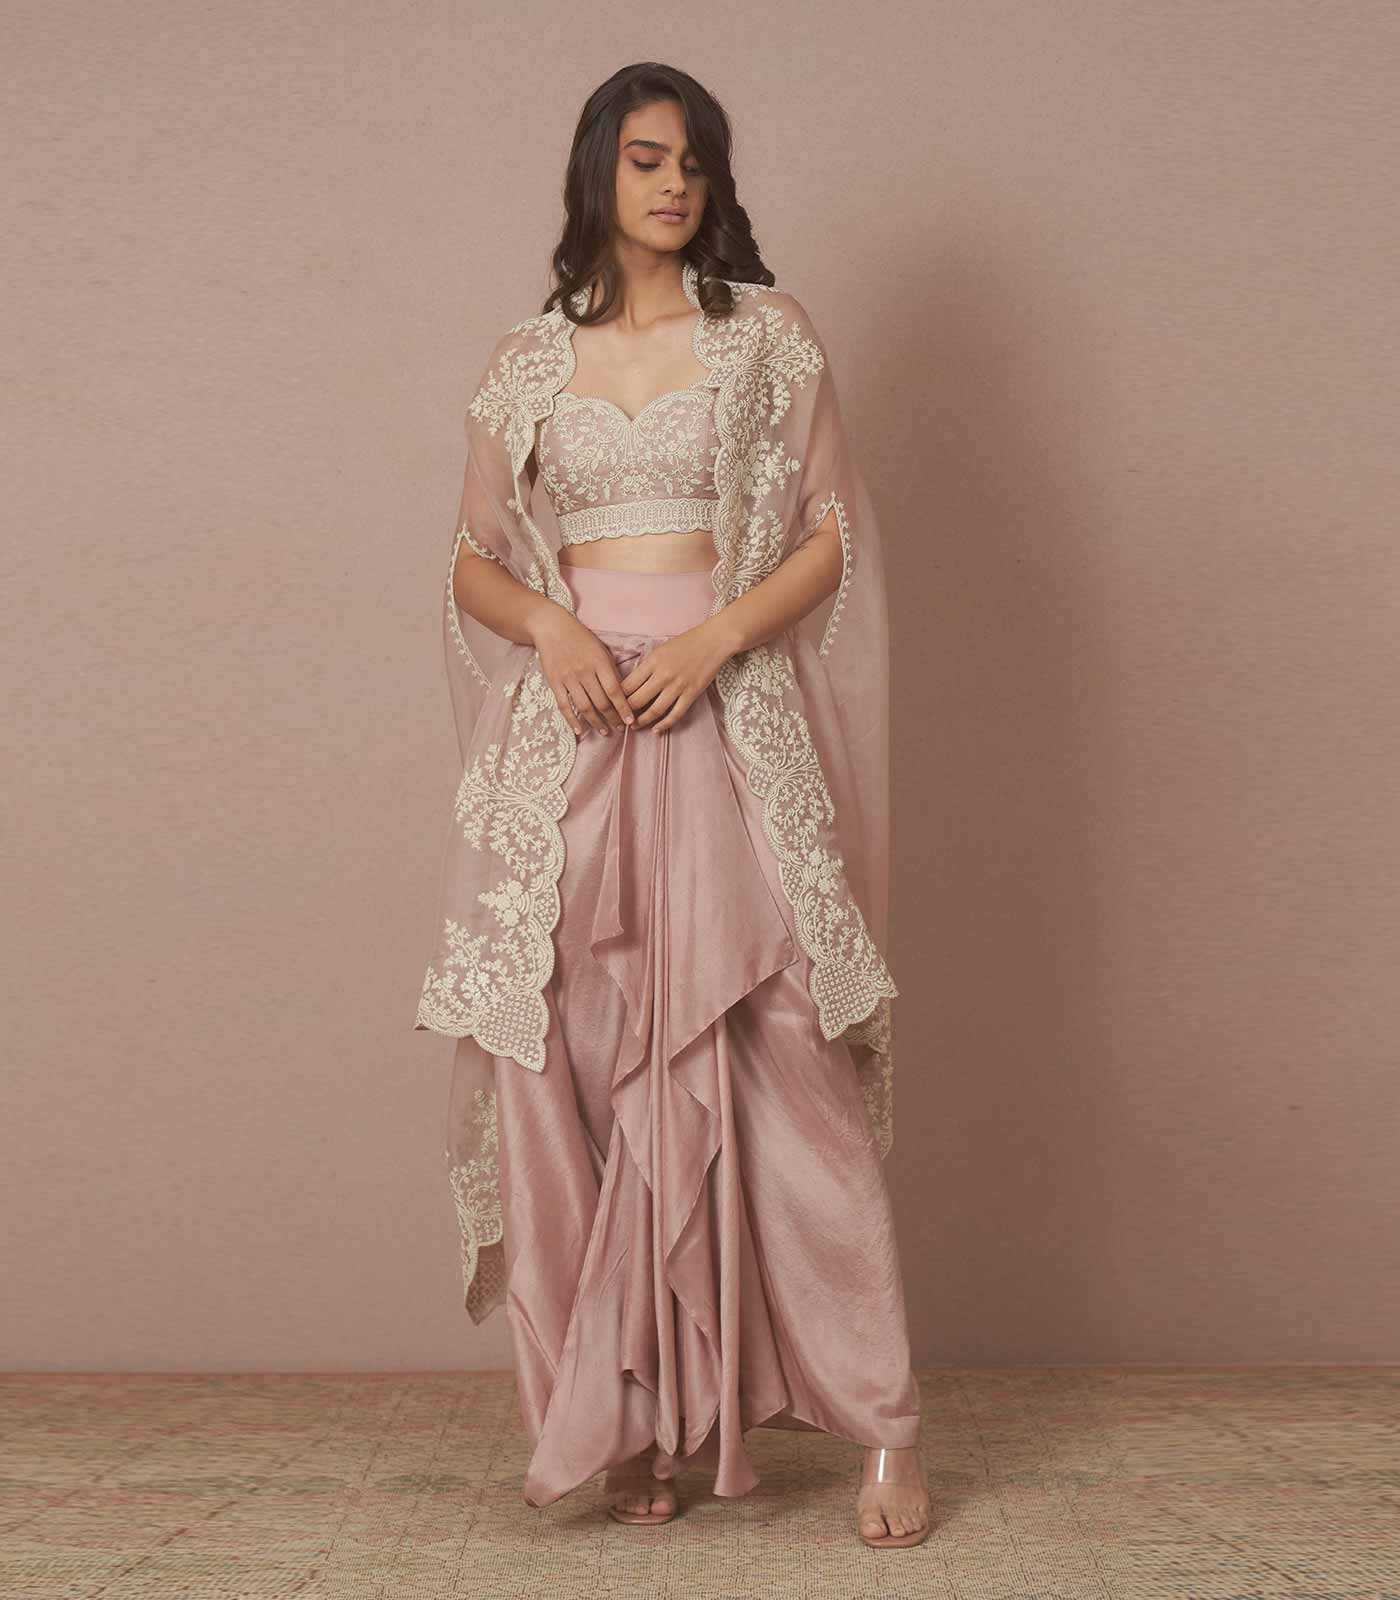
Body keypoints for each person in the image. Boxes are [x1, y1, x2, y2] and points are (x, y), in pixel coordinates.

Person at [415, 61, 931, 1549]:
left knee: (778, 1055)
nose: (675, 185)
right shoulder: (527, 361)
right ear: (598, 172)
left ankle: (887, 1428)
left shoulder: (765, 334)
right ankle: (628, 1425)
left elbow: (829, 534)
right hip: (573, 738)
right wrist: (554, 628)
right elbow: (472, 559)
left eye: (695, 162)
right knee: (570, 1068)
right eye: (647, 160)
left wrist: (715, 638)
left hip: (722, 724)